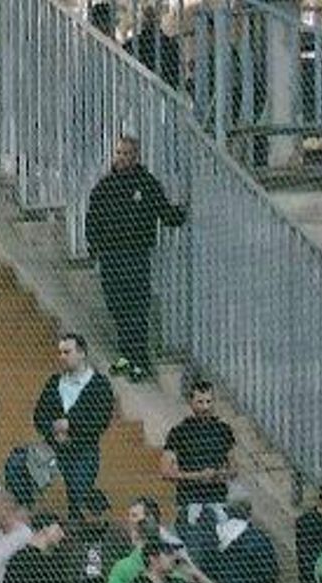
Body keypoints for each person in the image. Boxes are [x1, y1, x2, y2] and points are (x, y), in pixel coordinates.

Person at [85, 135, 187, 381]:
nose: (121, 158)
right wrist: (94, 246)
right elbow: (93, 219)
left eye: (127, 153)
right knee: (117, 305)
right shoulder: (105, 186)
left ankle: (139, 360)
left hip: (136, 255)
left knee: (137, 307)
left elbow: (164, 212)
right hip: (111, 255)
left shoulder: (147, 184)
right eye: (118, 153)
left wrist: (181, 212)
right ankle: (126, 356)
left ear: (136, 156)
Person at [22, 333, 115, 518]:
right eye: (60, 352)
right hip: (54, 448)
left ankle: (93, 519)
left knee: (78, 495)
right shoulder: (54, 382)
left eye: (67, 352)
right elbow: (39, 415)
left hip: (83, 449)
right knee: (24, 469)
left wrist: (71, 425)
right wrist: (53, 429)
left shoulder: (99, 384)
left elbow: (100, 420)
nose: (62, 357)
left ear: (82, 353)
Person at [160, 379, 235, 518]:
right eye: (200, 402)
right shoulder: (179, 432)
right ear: (191, 402)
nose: (205, 407)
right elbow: (165, 471)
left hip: (218, 499)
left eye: (209, 401)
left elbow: (233, 468)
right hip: (189, 500)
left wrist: (218, 474)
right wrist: (197, 476)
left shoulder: (223, 429)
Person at [204, 492, 278, 583]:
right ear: (249, 512)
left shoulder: (213, 537)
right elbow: (270, 575)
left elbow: (206, 568)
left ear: (227, 511)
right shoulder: (258, 537)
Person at [67, 489, 130, 583]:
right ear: (84, 511)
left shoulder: (116, 535)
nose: (98, 517)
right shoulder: (72, 535)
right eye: (94, 512)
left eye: (101, 512)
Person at [104, 495, 167, 583]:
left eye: (135, 516)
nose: (130, 521)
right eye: (129, 516)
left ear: (151, 519)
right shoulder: (121, 562)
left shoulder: (170, 554)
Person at [1, 513, 73, 583]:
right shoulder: (21, 560)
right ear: (45, 529)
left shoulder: (54, 562)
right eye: (58, 530)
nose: (62, 535)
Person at [127, 5, 182, 89]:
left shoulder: (135, 42)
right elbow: (176, 74)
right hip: (164, 88)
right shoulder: (170, 43)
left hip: (142, 87)